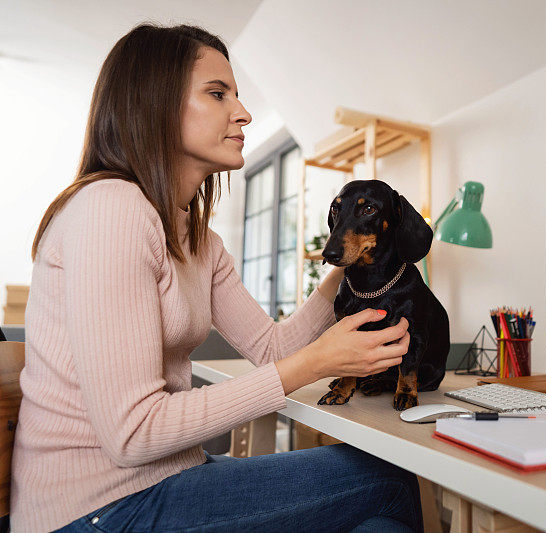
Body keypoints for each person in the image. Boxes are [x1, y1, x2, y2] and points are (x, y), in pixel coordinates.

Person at [11, 23, 421, 533]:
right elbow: (133, 434)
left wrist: (363, 265)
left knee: (378, 520)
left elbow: (272, 347)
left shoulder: (198, 240)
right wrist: (313, 364)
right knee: (388, 484)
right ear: (156, 105)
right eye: (217, 93)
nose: (243, 113)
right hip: (98, 509)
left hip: (167, 481)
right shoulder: (109, 209)